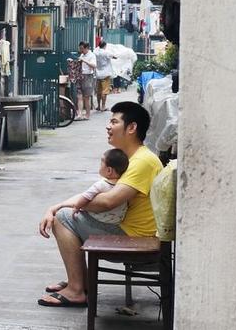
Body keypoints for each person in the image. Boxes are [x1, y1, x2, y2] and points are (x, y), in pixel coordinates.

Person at [37, 101, 163, 307]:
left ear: (131, 128)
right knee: (66, 213)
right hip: (130, 230)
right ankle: (78, 281)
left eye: (114, 121)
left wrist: (61, 209)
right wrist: (57, 205)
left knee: (62, 220)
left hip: (136, 237)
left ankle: (77, 290)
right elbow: (96, 194)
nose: (108, 126)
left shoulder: (143, 161)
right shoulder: (133, 158)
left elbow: (107, 201)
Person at [71, 148, 130, 224]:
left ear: (109, 170)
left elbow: (85, 197)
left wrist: (76, 207)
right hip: (117, 221)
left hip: (99, 220)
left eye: (101, 164)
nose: (99, 166)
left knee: (63, 215)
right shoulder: (123, 185)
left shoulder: (100, 185)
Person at [93, 41, 118, 111]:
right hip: (106, 74)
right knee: (105, 91)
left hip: (98, 74)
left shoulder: (95, 52)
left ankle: (98, 106)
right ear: (105, 46)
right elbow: (115, 57)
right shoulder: (106, 52)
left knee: (99, 91)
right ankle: (103, 106)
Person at [75, 41, 97, 120]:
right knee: (79, 96)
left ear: (86, 48)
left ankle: (87, 115)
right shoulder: (82, 55)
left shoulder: (92, 55)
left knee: (86, 97)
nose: (81, 50)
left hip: (88, 76)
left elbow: (94, 65)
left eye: (82, 48)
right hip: (80, 76)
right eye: (80, 48)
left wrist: (84, 60)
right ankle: (80, 114)